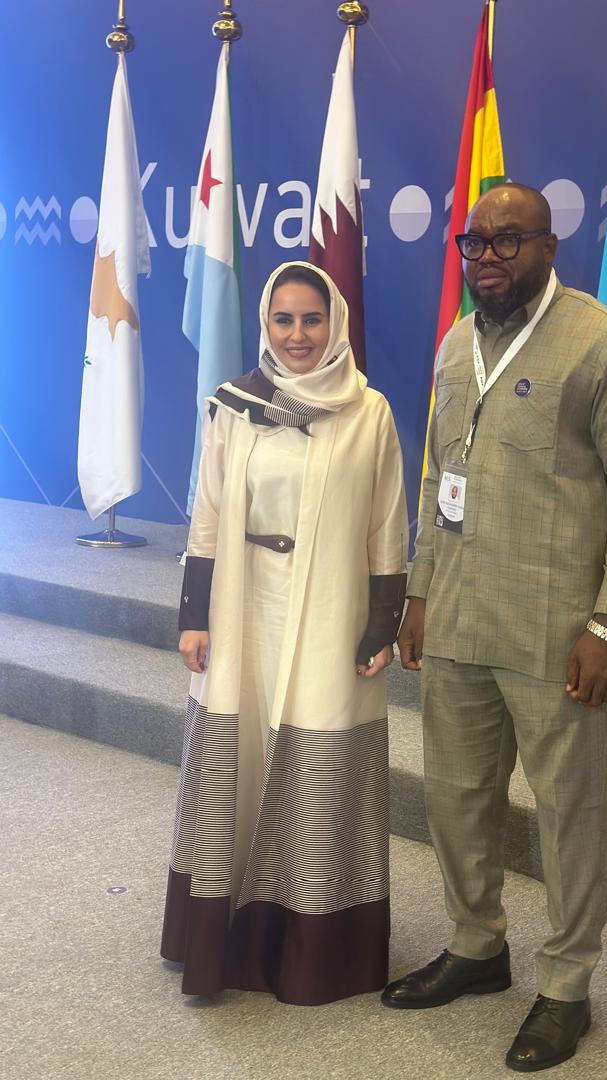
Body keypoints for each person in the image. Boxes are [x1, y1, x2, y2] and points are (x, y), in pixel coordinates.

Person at [381, 184, 607, 1072]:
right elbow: (442, 478)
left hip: (557, 629)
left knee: (569, 812)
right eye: (476, 243)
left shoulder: (606, 344)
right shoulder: (455, 344)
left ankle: (567, 986)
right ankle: (477, 947)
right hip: (460, 614)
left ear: (549, 246)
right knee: (455, 797)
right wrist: (420, 591)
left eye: (510, 240)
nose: (489, 257)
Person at [160, 261, 409, 1006]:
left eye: (312, 319)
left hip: (330, 615)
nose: (298, 335)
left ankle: (309, 951)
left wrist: (382, 624)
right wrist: (194, 616)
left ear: (335, 324)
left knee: (318, 762)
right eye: (283, 319)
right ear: (266, 325)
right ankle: (219, 933)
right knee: (234, 757)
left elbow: (387, 526)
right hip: (243, 610)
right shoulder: (233, 405)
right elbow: (207, 513)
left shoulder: (369, 412)